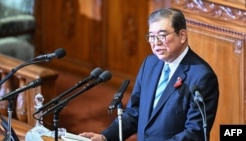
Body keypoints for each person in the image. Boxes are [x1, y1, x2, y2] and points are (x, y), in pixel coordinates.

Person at [80, 8, 219, 141]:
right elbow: (134, 112)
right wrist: (106, 137)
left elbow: (195, 132)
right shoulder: (150, 63)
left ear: (182, 35)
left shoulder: (202, 76)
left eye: (162, 35)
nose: (156, 42)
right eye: (152, 36)